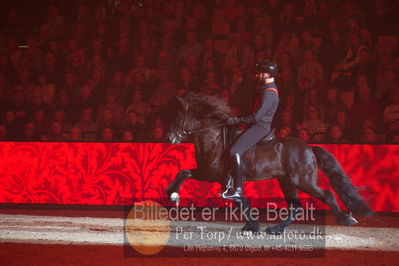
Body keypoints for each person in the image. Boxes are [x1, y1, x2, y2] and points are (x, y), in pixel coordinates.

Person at [222, 60, 279, 200]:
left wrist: (236, 121)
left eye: (259, 73)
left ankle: (238, 189)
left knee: (235, 151)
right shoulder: (265, 89)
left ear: (267, 74)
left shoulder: (269, 93)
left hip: (260, 127)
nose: (257, 75)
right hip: (256, 125)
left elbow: (256, 117)